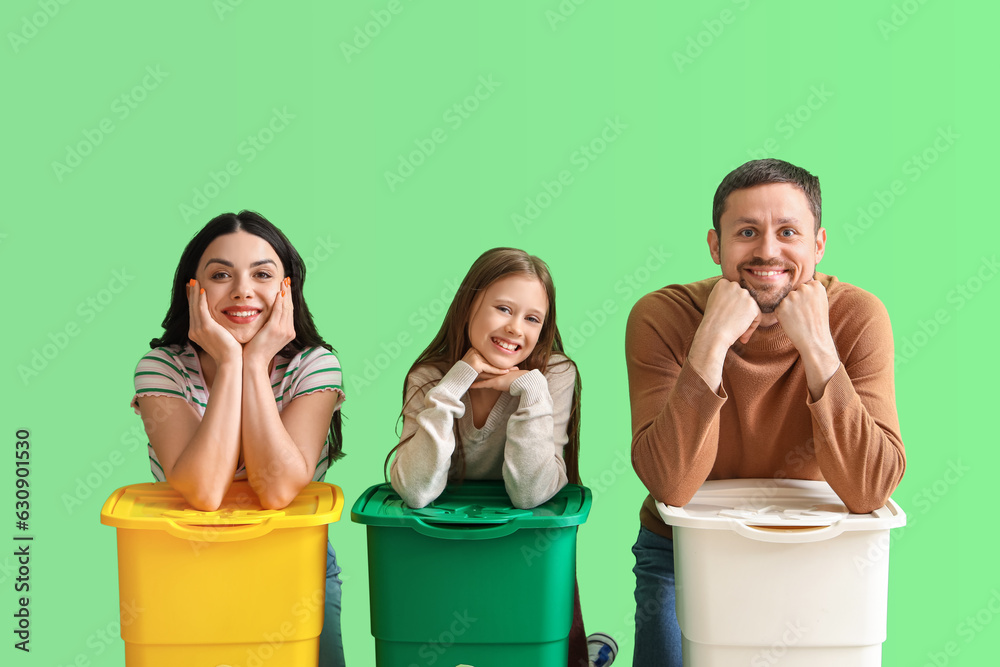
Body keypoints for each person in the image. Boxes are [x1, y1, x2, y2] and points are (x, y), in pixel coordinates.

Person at [625, 159, 906, 666]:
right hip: (684, 555)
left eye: (789, 232)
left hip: (822, 553)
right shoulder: (662, 316)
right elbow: (672, 484)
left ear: (818, 244)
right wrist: (711, 340)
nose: (768, 251)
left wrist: (820, 350)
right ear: (716, 245)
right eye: (747, 232)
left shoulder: (858, 316)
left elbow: (870, 489)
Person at [131, 210, 347, 666]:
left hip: (295, 570)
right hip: (185, 565)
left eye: (262, 274)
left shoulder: (315, 365)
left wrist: (255, 362)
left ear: (286, 288)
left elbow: (278, 489)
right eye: (221, 274)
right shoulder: (161, 368)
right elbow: (204, 490)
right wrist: (231, 362)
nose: (243, 290)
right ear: (194, 289)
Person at [387, 247, 612, 667]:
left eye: (532, 318)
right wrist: (455, 384)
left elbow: (531, 494)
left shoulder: (554, 375)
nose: (514, 329)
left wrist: (529, 389)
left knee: (538, 643)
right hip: (447, 551)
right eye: (503, 308)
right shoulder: (430, 379)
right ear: (469, 305)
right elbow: (416, 491)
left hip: (527, 548)